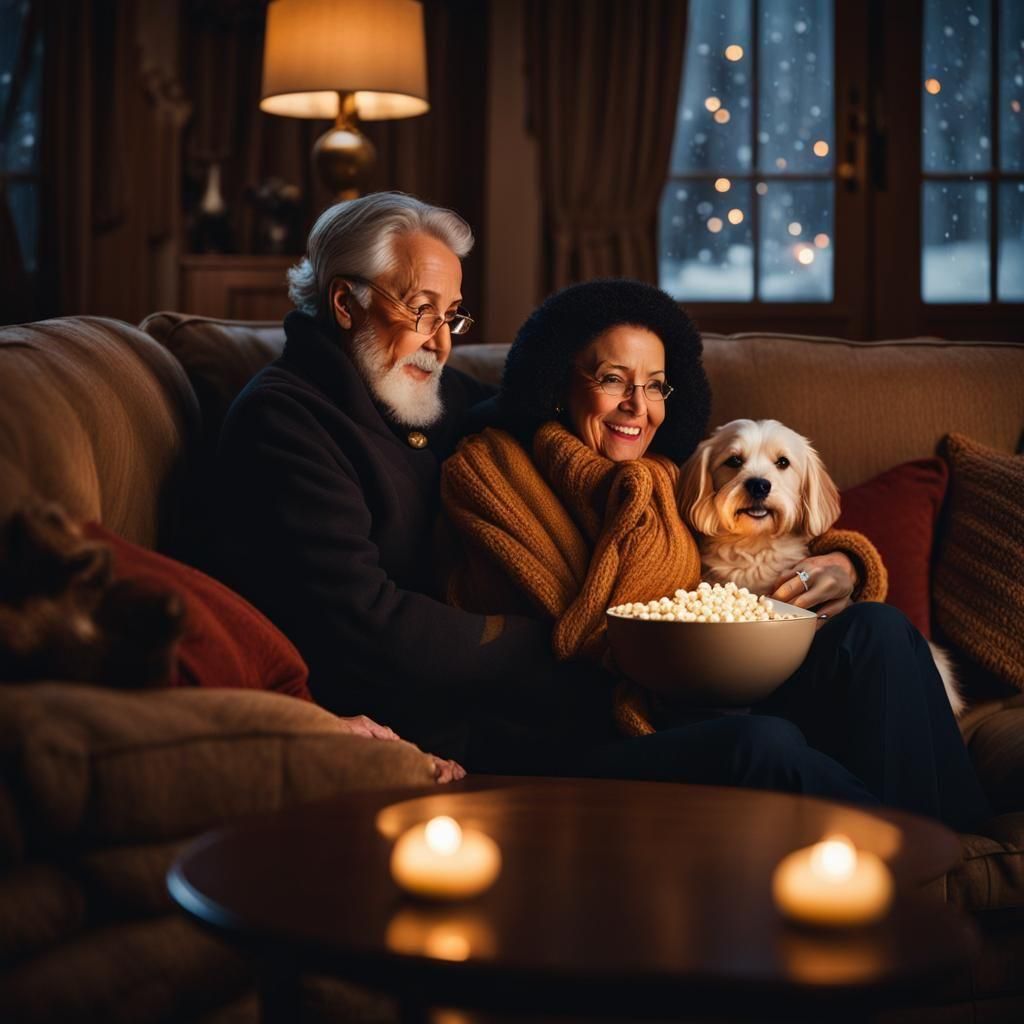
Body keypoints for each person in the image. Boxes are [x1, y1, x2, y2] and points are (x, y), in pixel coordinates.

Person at [440, 279, 990, 830]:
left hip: (713, 689)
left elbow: (750, 534)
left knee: (880, 629)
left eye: (654, 386)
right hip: (604, 720)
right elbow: (560, 626)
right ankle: (916, 851)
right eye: (613, 379)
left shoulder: (664, 474)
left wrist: (848, 562)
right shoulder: (495, 471)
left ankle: (968, 856)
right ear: (558, 379)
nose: (638, 405)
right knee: (765, 741)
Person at [211, 192, 607, 781]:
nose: (441, 342)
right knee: (754, 751)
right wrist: (569, 645)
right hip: (446, 728)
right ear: (346, 303)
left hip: (519, 704)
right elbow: (368, 626)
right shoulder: (283, 422)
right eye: (422, 311)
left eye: (451, 316)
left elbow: (564, 428)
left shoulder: (422, 393)